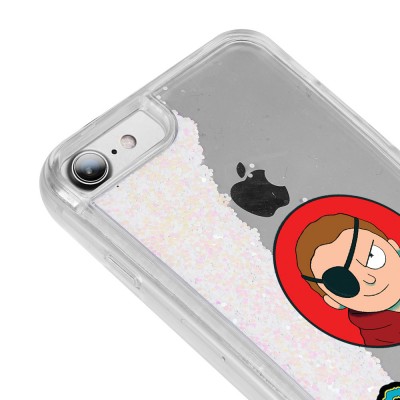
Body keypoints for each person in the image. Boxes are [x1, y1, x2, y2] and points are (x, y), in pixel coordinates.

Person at [296, 213, 400, 346]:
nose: (370, 278)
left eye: (372, 256)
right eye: (345, 282)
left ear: (393, 246)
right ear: (334, 302)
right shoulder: (381, 337)